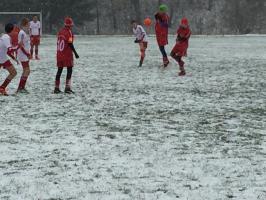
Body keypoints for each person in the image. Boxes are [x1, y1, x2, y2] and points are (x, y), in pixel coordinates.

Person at [54, 17, 79, 94]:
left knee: (59, 70)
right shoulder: (69, 32)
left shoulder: (60, 32)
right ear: (70, 25)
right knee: (69, 70)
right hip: (67, 54)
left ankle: (56, 88)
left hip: (59, 54)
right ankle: (67, 88)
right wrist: (75, 53)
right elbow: (70, 43)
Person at [0, 23, 18, 96]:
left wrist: (14, 58)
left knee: (13, 72)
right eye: (15, 29)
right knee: (13, 73)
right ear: (12, 30)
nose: (16, 31)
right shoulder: (6, 37)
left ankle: (2, 88)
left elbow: (7, 51)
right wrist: (18, 46)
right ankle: (2, 87)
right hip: (2, 58)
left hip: (3, 58)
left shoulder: (5, 36)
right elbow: (10, 49)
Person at [17, 18, 31, 93]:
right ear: (25, 24)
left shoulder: (23, 32)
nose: (29, 25)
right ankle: (20, 88)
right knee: (27, 70)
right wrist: (27, 53)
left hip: (24, 54)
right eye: (28, 24)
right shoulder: (22, 33)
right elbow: (20, 45)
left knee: (26, 70)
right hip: (23, 55)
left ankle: (21, 87)